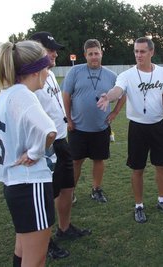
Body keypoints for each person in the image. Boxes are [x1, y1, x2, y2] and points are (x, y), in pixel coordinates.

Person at [0, 40, 57, 267]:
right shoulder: (24, 95)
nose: (48, 72)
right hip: (31, 184)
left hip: (14, 184)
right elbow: (49, 130)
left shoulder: (6, 94)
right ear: (36, 70)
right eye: (47, 67)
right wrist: (36, 152)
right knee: (35, 260)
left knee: (22, 251)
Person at [97, 37, 163, 223]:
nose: (138, 55)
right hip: (137, 127)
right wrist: (108, 97)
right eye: (136, 51)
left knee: (161, 165)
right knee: (137, 168)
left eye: (142, 51)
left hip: (159, 125)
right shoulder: (127, 75)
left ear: (151, 52)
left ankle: (162, 199)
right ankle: (139, 205)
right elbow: (117, 90)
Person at [30, 31, 91, 260]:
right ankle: (44, 242)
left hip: (60, 140)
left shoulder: (50, 73)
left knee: (67, 187)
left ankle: (64, 229)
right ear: (35, 49)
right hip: (45, 145)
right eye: (50, 49)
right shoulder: (30, 80)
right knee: (46, 195)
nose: (55, 53)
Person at [62, 39, 124, 203]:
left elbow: (122, 95)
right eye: (90, 54)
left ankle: (96, 189)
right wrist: (68, 119)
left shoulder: (111, 75)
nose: (94, 57)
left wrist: (115, 112)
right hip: (78, 127)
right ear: (85, 55)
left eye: (96, 53)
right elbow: (66, 96)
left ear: (101, 54)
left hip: (101, 127)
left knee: (99, 160)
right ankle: (71, 191)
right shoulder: (75, 72)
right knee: (75, 161)